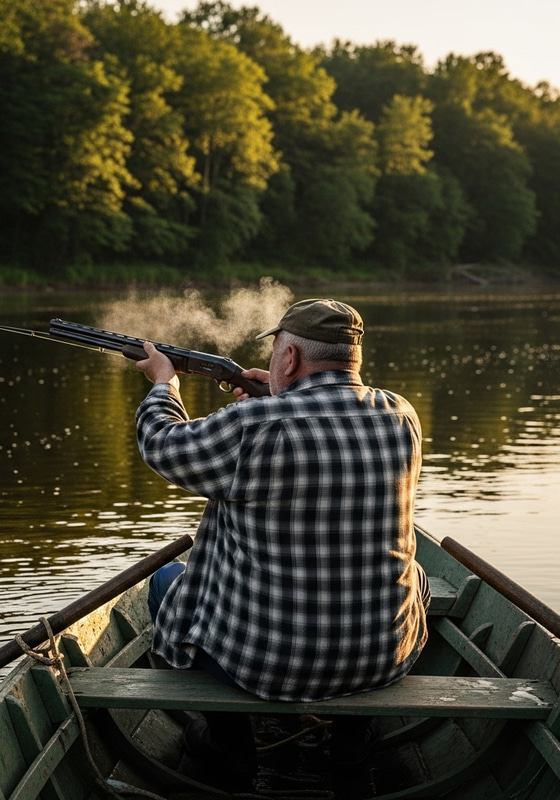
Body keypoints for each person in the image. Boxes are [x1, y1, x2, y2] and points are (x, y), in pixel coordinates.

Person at [134, 298, 430, 787]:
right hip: (382, 658)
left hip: (266, 666)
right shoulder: (402, 415)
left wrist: (165, 383)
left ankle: (231, 748)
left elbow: (161, 443)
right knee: (416, 576)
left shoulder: (255, 426)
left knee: (167, 582)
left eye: (276, 352)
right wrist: (270, 398)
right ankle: (351, 749)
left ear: (289, 358)